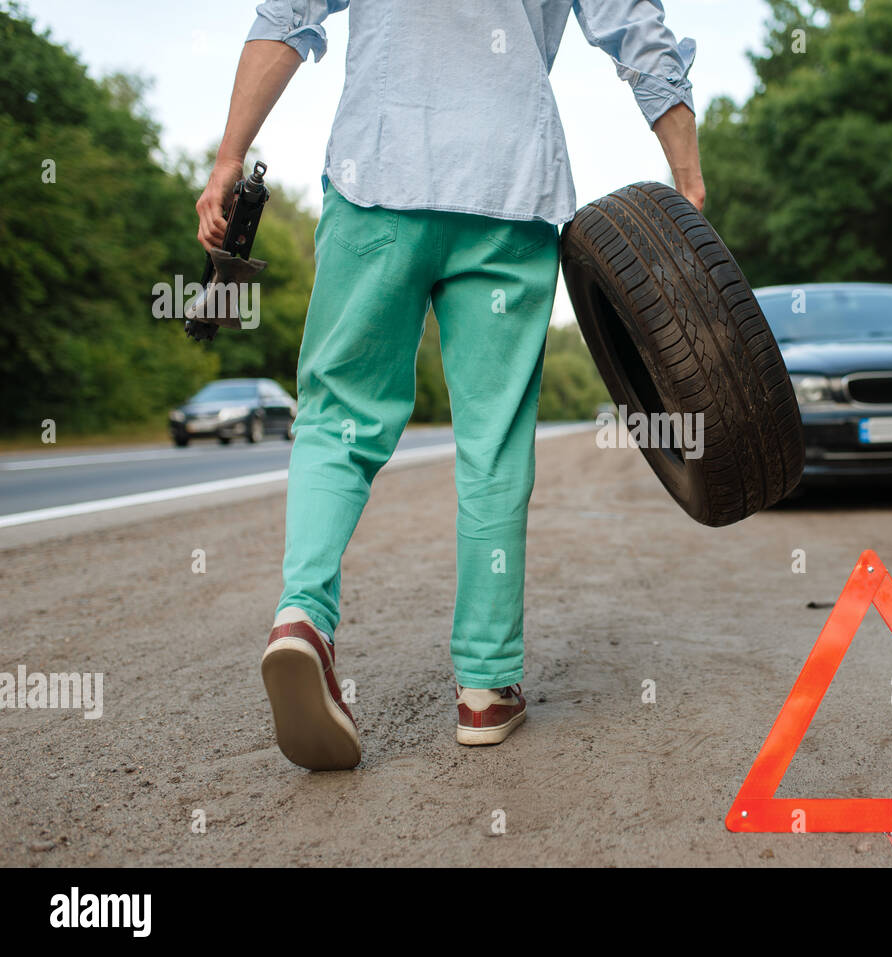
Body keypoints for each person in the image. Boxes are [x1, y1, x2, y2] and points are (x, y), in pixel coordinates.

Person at [196, 0, 705, 771]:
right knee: (494, 442)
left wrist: (230, 156)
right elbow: (637, 31)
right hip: (510, 190)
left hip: (379, 170)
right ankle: (485, 687)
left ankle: (303, 617)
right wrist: (687, 179)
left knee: (338, 417)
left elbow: (286, 15)